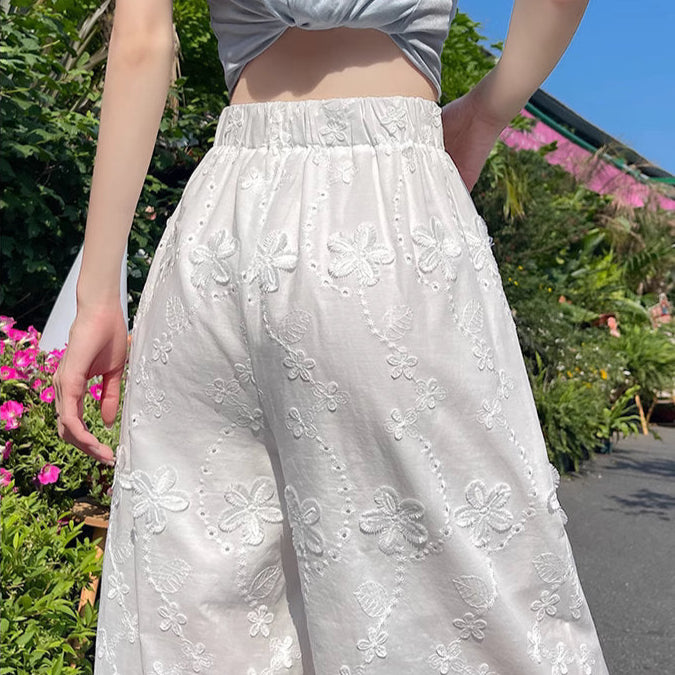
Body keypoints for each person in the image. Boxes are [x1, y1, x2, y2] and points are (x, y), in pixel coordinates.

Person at [53, 0, 609, 672]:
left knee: (201, 614)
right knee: (463, 607)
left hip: (219, 227)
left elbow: (142, 39)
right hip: (385, 217)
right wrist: (486, 111)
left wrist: (97, 296)